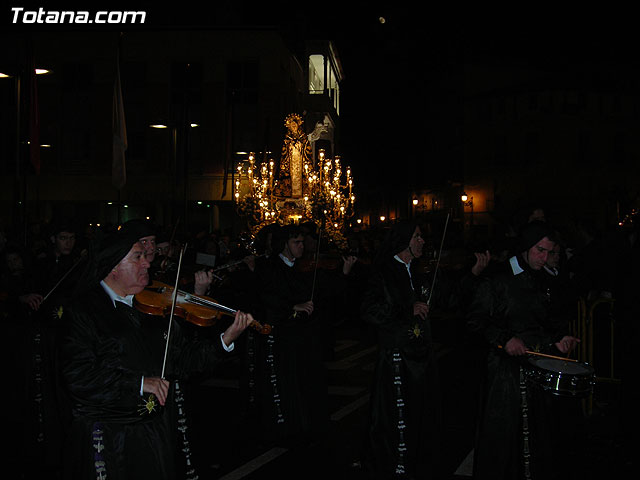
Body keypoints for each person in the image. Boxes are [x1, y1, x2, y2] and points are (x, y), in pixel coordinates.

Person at [58, 226, 255, 479]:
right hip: (110, 434)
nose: (147, 263)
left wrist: (224, 340)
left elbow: (182, 360)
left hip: (153, 432)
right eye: (137, 257)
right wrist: (139, 383)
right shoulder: (84, 311)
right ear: (112, 266)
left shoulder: (152, 307)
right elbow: (79, 376)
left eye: (144, 255)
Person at [467, 220, 581, 480]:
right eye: (540, 250)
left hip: (536, 369)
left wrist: (559, 339)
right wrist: (504, 339)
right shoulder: (497, 277)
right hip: (503, 375)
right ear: (526, 247)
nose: (545, 257)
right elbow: (476, 321)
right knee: (503, 438)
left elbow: (543, 322)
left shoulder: (542, 279)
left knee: (538, 438)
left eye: (550, 252)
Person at [251, 224, 355, 450]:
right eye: (296, 242)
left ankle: (307, 425)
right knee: (287, 386)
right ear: (284, 244)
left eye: (302, 241)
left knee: (307, 383)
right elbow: (266, 300)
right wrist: (292, 308)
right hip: (283, 341)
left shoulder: (300, 268)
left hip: (303, 340)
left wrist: (344, 272)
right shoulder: (270, 268)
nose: (302, 246)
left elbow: (321, 290)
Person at [359, 220, 443, 479]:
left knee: (420, 410)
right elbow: (369, 310)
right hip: (397, 356)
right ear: (404, 239)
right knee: (396, 415)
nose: (422, 241)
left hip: (420, 355)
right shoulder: (383, 271)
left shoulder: (417, 270)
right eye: (417, 237)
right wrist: (407, 310)